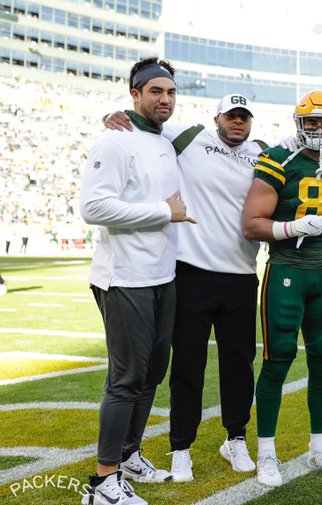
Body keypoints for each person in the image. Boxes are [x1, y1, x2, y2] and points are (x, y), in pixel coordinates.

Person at [103, 93, 267, 483]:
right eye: (231, 116)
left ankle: (236, 438)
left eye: (244, 117)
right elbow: (143, 122)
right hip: (192, 272)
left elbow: (303, 153)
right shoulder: (189, 137)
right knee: (187, 365)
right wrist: (112, 114)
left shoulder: (262, 151)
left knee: (239, 364)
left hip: (242, 274)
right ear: (217, 117)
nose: (238, 123)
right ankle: (181, 447)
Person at [79, 57, 195, 505]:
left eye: (170, 92)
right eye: (155, 92)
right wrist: (166, 212)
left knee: (152, 374)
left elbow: (236, 138)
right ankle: (103, 483)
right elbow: (93, 209)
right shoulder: (115, 140)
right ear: (134, 95)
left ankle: (128, 455)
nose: (164, 99)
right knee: (126, 378)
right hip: (124, 277)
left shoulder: (165, 140)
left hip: (162, 276)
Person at [241, 90, 322, 487]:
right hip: (286, 273)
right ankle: (267, 454)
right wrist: (291, 228)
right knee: (277, 362)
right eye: (313, 122)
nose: (321, 130)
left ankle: (319, 448)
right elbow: (251, 223)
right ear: (299, 124)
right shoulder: (278, 159)